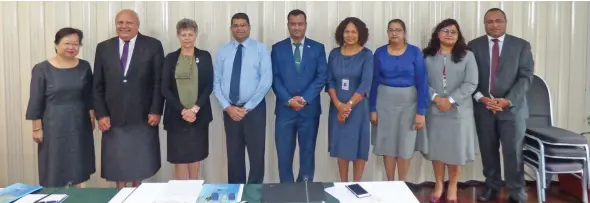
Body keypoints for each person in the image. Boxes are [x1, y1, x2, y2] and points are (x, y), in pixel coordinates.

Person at [468, 8, 534, 203]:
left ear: (505, 22)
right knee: (488, 151)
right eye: (489, 22)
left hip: (513, 110)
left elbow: (526, 76)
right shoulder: (474, 46)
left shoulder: (521, 46)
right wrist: (481, 97)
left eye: (498, 21)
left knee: (513, 153)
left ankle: (516, 193)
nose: (494, 25)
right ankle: (492, 187)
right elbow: (469, 77)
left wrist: (507, 100)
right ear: (484, 24)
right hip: (484, 108)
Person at [93, 9, 165, 188]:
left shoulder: (153, 45)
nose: (124, 26)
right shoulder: (103, 48)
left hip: (143, 116)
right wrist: (101, 114)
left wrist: (156, 110)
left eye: (129, 23)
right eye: (120, 23)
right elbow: (97, 85)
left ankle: (138, 196)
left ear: (137, 25)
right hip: (112, 117)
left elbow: (159, 82)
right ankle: (120, 197)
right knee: (118, 165)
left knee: (139, 163)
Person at [25, 27, 95, 188]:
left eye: (76, 44)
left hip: (79, 122)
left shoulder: (84, 66)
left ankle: (78, 197)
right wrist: (36, 128)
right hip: (53, 124)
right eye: (67, 43)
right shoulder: (42, 68)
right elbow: (36, 99)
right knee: (54, 166)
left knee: (78, 163)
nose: (71, 47)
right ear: (56, 44)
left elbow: (89, 95)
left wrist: (92, 117)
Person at [422, 19, 479, 203]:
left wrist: (451, 99)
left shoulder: (467, 56)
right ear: (437, 34)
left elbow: (471, 83)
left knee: (455, 150)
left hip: (459, 111)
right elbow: (422, 82)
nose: (449, 34)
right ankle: (439, 183)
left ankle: (453, 184)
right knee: (437, 149)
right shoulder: (427, 56)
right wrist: (436, 98)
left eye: (453, 32)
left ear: (458, 36)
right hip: (435, 109)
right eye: (445, 30)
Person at [213, 12, 272, 184]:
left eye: (243, 25)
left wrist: (247, 107)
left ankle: (254, 195)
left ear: (249, 27)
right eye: (236, 25)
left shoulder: (260, 49)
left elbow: (266, 80)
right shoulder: (223, 51)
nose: (239, 28)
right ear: (231, 28)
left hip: (254, 111)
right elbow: (216, 82)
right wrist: (227, 107)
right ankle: (236, 194)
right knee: (234, 155)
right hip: (230, 111)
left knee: (256, 155)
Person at [271, 9, 327, 183]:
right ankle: (287, 191)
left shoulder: (318, 48)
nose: (296, 27)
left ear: (305, 25)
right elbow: (274, 78)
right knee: (284, 155)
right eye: (293, 24)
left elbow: (321, 76)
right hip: (284, 111)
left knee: (307, 153)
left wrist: (303, 99)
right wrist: (288, 99)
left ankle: (305, 191)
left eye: (300, 24)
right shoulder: (277, 48)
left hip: (309, 111)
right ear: (288, 25)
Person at [369, 19, 428, 182]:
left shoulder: (415, 52)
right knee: (388, 144)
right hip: (384, 104)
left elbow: (423, 83)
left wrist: (421, 112)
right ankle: (390, 183)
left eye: (398, 30)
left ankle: (402, 184)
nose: (394, 33)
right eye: (391, 30)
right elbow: (374, 81)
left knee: (405, 144)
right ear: (387, 32)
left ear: (404, 33)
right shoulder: (379, 52)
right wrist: (372, 108)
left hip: (410, 105)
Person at [161, 18, 213, 180]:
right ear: (178, 36)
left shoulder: (204, 56)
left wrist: (195, 109)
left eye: (191, 34)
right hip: (177, 116)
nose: (187, 38)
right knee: (180, 158)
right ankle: (182, 194)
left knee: (195, 156)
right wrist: (183, 110)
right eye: (184, 34)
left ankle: (194, 192)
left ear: (196, 35)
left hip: (199, 115)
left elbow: (209, 85)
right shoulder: (170, 58)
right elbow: (165, 88)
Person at [326, 17, 373, 182]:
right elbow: (329, 80)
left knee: (359, 146)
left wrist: (348, 106)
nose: (350, 35)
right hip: (337, 108)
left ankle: (356, 184)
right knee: (341, 146)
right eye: (347, 31)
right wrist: (339, 105)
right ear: (341, 33)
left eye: (354, 31)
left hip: (358, 109)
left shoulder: (367, 55)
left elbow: (365, 84)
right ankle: (343, 184)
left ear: (360, 34)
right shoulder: (334, 54)